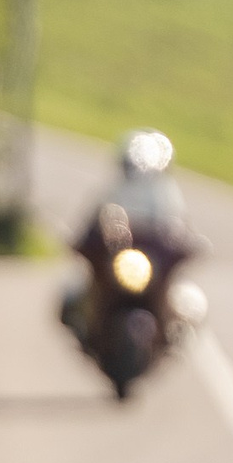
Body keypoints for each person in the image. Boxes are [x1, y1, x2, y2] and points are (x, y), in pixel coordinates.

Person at [60, 131, 199, 339]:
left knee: (187, 305)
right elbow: (92, 224)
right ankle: (88, 326)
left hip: (152, 267)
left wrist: (187, 244)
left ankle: (172, 334)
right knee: (74, 297)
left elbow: (181, 228)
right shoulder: (112, 193)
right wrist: (86, 239)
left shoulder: (168, 198)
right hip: (117, 262)